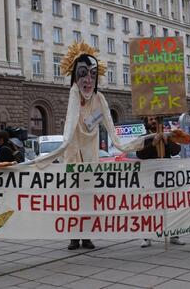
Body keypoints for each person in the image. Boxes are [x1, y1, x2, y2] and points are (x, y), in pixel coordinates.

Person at [31, 42, 154, 250]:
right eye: (82, 73)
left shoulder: (100, 99)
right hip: (72, 156)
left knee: (89, 197)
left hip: (91, 158)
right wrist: (44, 160)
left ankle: (87, 236)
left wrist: (144, 141)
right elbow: (69, 129)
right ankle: (73, 237)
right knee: (72, 198)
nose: (88, 79)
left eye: (93, 74)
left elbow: (114, 136)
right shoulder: (73, 95)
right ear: (74, 76)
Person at [136, 116, 185, 248]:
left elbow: (176, 150)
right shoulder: (143, 138)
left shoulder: (167, 135)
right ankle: (146, 237)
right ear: (146, 123)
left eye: (155, 119)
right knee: (149, 208)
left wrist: (166, 141)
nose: (153, 121)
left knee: (171, 207)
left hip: (166, 178)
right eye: (151, 119)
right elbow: (140, 155)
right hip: (150, 179)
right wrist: (153, 143)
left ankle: (174, 234)